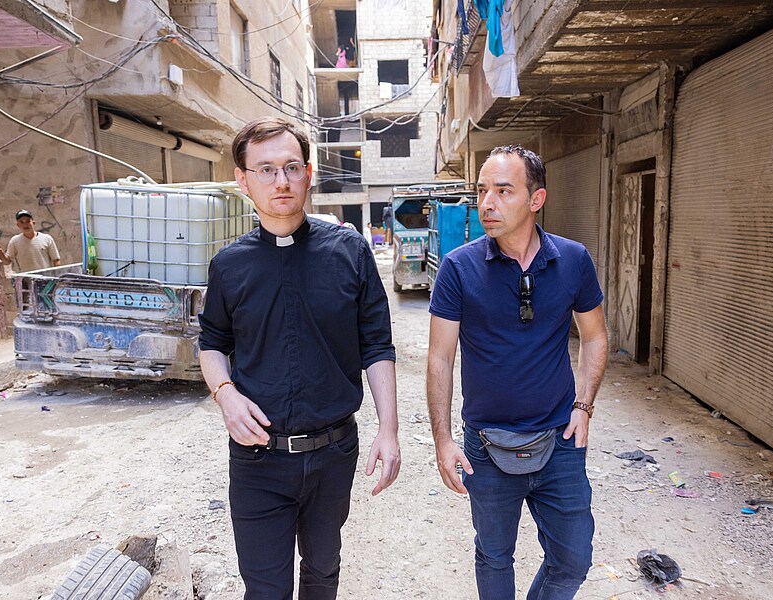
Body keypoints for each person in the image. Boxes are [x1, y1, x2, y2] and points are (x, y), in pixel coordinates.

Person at [197, 117, 400, 600]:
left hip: (334, 452)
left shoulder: (349, 251)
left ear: (309, 172)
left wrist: (388, 430)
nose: (281, 181)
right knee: (266, 589)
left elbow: (377, 344)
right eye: (265, 170)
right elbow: (211, 343)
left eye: (291, 167)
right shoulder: (230, 264)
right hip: (257, 458)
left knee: (323, 574)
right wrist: (226, 397)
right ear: (243, 180)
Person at [426, 145, 608, 599]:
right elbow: (439, 358)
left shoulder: (573, 260)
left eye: (503, 191)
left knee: (573, 557)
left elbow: (595, 337)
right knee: (493, 556)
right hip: (485, 446)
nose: (487, 203)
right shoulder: (458, 267)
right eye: (482, 190)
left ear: (536, 199)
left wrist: (583, 406)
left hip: (560, 440)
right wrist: (443, 439)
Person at [0, 209, 61, 273]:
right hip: (27, 280)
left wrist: (56, 278)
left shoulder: (47, 238)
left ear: (33, 222)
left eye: (28, 221)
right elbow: (7, 262)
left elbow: (56, 260)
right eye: (22, 222)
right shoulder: (15, 241)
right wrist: (0, 252)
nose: (25, 225)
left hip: (46, 280)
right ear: (18, 225)